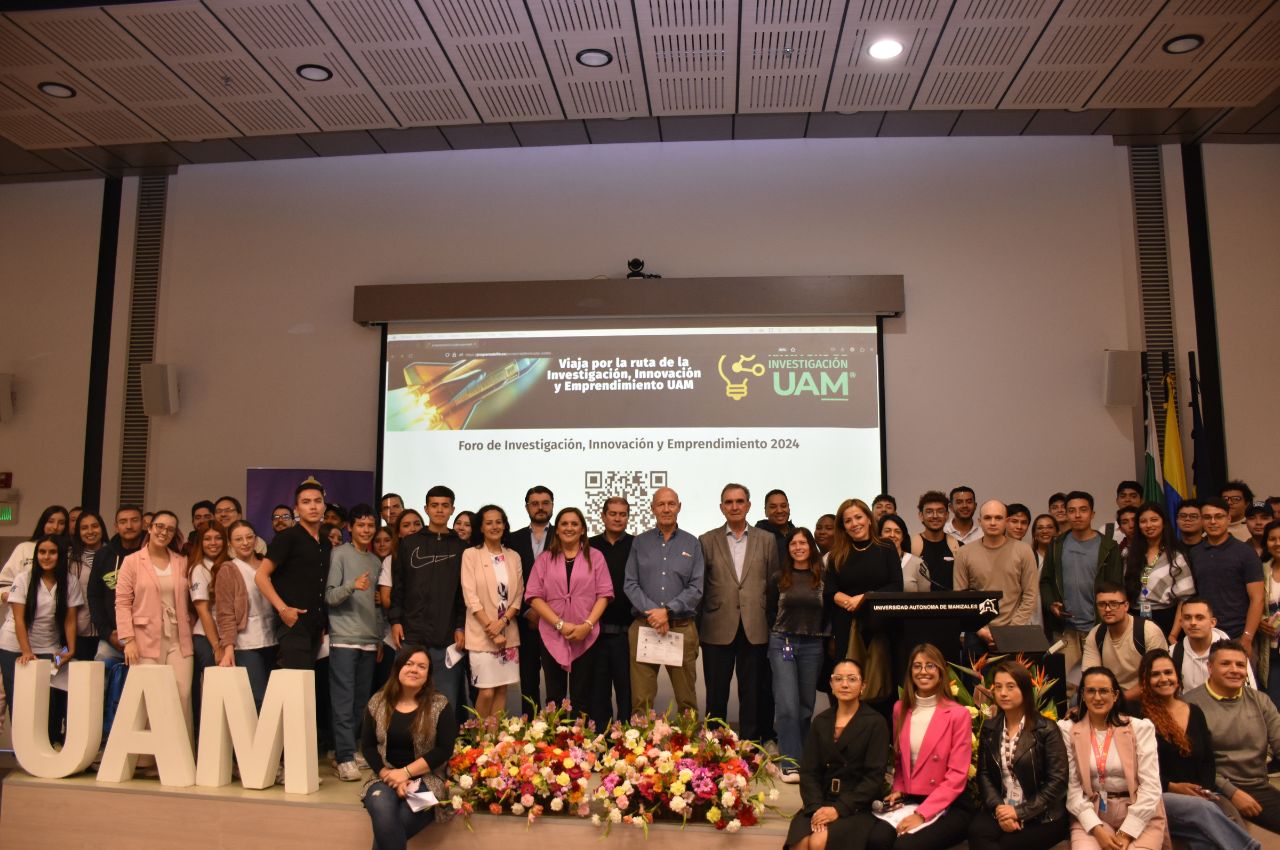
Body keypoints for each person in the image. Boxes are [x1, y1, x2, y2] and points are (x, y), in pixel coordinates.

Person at [1135, 649, 1259, 850]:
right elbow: (1136, 769)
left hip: (1199, 795)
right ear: (1145, 680)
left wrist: (1204, 790)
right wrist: (1174, 787)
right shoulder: (1137, 717)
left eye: (1168, 672)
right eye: (1155, 674)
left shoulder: (1194, 711)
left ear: (1177, 677)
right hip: (1157, 796)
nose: (1163, 679)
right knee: (1203, 809)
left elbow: (1208, 761)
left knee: (1207, 839)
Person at [868, 643, 972, 849]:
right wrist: (898, 789)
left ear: (941, 671)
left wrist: (922, 814)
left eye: (930, 666)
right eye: (917, 666)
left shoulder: (958, 714)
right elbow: (899, 761)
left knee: (905, 847)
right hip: (910, 797)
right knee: (876, 840)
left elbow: (957, 775)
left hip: (948, 803)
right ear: (910, 672)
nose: (923, 671)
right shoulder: (900, 709)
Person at [698, 483, 778, 741]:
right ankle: (714, 745)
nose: (734, 506)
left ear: (749, 505)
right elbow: (700, 587)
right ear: (722, 507)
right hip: (716, 626)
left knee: (752, 692)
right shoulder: (706, 540)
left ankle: (751, 746)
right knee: (716, 693)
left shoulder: (767, 540)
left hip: (755, 626)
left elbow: (773, 584)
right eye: (729, 502)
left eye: (739, 501)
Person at [784, 658, 888, 850]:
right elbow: (809, 772)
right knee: (800, 843)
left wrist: (838, 809)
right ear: (831, 685)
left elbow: (873, 779)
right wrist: (816, 809)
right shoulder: (821, 721)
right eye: (838, 679)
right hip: (820, 801)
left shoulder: (876, 723)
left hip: (856, 806)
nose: (845, 684)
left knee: (818, 842)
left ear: (863, 686)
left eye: (852, 679)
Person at [360, 645, 457, 850]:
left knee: (398, 822)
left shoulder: (439, 704)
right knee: (381, 809)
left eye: (422, 666)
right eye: (409, 664)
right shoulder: (378, 702)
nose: (414, 669)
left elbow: (443, 749)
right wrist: (390, 775)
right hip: (383, 777)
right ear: (397, 669)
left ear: (428, 675)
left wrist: (405, 773)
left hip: (429, 781)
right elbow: (368, 746)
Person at [1059, 666, 1167, 850]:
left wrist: (1127, 833)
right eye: (1091, 691)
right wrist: (1097, 829)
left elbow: (1151, 786)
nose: (1097, 697)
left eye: (1104, 691)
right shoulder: (1067, 729)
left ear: (1116, 695)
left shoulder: (1140, 728)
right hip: (1093, 812)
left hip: (1140, 812)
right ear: (1082, 695)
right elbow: (1073, 789)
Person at [526, 507, 612, 727]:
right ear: (557, 530)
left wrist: (588, 625)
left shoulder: (596, 557)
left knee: (583, 696)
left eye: (574, 524)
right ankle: (555, 750)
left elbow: (604, 594)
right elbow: (534, 596)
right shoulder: (545, 559)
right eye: (564, 524)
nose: (569, 528)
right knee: (554, 697)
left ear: (583, 529)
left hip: (586, 635)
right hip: (552, 635)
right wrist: (560, 625)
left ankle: (581, 751)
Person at [969, 660, 1069, 850]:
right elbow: (983, 774)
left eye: (1010, 687)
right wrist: (1000, 810)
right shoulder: (990, 728)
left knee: (1006, 843)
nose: (1003, 693)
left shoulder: (1046, 729)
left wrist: (1019, 812)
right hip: (1002, 806)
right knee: (976, 831)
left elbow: (1058, 781)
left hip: (1042, 814)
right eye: (998, 687)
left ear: (1024, 689)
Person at [1185, 639, 1280, 835]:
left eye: (1240, 664)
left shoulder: (1260, 700)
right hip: (1213, 789)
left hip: (1257, 785)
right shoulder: (1191, 705)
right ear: (1210, 668)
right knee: (1235, 837)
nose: (1234, 670)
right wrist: (1232, 792)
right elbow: (1196, 764)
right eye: (1225, 664)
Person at [623, 487, 704, 715]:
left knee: (687, 701)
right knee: (641, 701)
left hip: (681, 627)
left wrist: (667, 611)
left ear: (679, 507)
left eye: (671, 504)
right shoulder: (640, 542)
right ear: (652, 508)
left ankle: (687, 748)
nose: (666, 509)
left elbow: (696, 588)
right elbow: (630, 583)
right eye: (661, 504)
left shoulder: (692, 544)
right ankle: (638, 749)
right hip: (644, 627)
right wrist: (655, 613)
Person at [389, 486, 467, 723]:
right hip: (411, 633)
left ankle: (443, 755)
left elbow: (463, 594)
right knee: (405, 697)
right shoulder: (410, 543)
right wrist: (395, 620)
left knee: (445, 700)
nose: (440, 510)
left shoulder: (461, 547)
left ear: (452, 509)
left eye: (445, 506)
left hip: (447, 637)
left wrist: (460, 626)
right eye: (434, 505)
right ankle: (405, 751)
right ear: (426, 509)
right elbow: (399, 586)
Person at [116, 510, 194, 738]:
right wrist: (128, 640)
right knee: (151, 695)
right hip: (144, 638)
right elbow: (122, 602)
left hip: (180, 637)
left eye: (170, 529)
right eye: (160, 526)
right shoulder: (132, 562)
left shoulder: (182, 561)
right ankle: (146, 758)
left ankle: (180, 753)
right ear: (149, 528)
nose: (164, 532)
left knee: (182, 694)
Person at [0, 535, 82, 744]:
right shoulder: (24, 579)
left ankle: (48, 744)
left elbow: (70, 620)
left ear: (60, 555)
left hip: (50, 648)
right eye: (42, 552)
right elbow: (19, 619)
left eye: (52, 552)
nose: (46, 557)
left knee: (50, 696)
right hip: (14, 647)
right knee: (18, 697)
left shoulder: (70, 582)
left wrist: (70, 650)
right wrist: (27, 651)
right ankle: (23, 751)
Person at [1039, 491, 1122, 691]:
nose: (1077, 515)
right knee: (1067, 686)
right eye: (1072, 511)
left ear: (1092, 514)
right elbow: (1046, 581)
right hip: (1066, 629)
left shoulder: (1108, 547)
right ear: (1065, 514)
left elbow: (1116, 587)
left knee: (1100, 684)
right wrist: (1051, 603)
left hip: (1099, 627)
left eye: (1083, 510)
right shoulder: (1057, 545)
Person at [824, 498, 902, 707]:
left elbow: (896, 585)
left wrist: (865, 597)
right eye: (848, 521)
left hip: (880, 627)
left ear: (868, 519)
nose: (854, 523)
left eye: (858, 517)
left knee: (881, 687)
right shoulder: (836, 554)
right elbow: (830, 591)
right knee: (848, 687)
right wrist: (847, 600)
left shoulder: (886, 546)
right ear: (843, 527)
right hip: (846, 626)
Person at [767, 527, 828, 782]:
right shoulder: (779, 577)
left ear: (811, 547)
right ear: (788, 548)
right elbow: (769, 612)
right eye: (794, 544)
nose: (798, 547)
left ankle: (803, 759)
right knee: (788, 705)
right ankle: (789, 762)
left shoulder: (823, 577)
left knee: (805, 706)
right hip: (783, 642)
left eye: (803, 543)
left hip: (813, 646)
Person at [327, 504, 382, 781]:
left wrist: (380, 636)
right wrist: (352, 586)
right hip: (344, 640)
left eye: (370, 525)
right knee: (343, 701)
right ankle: (344, 756)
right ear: (350, 527)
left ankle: (349, 750)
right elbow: (330, 596)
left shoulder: (375, 561)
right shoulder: (339, 554)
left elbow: (378, 606)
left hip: (369, 640)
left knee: (361, 703)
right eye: (361, 525)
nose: (366, 530)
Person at [256, 480, 330, 672]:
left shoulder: (325, 542)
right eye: (306, 502)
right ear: (296, 509)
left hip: (316, 626)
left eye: (317, 501)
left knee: (306, 689)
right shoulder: (287, 537)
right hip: (293, 624)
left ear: (324, 506)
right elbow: (261, 576)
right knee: (293, 687)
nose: (313, 506)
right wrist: (283, 610)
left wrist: (321, 621)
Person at [953, 500, 1039, 657]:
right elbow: (960, 598)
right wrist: (981, 630)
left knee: (1013, 681)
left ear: (1006, 521)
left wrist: (1009, 632)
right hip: (977, 633)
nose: (993, 522)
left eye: (998, 518)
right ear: (979, 522)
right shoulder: (964, 553)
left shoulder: (1024, 551)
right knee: (976, 682)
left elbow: (1030, 595)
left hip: (1014, 631)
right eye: (987, 518)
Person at [459, 504, 522, 720]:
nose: (495, 526)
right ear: (481, 527)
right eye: (489, 522)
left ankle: (492, 744)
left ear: (504, 525)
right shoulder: (471, 555)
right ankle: (477, 743)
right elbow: (470, 597)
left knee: (502, 689)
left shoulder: (513, 556)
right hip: (481, 634)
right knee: (485, 691)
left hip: (508, 634)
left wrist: (502, 623)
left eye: (499, 521)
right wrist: (492, 629)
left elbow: (518, 596)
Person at [87, 504, 144, 733]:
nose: (129, 525)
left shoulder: (149, 552)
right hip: (110, 636)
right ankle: (97, 739)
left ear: (143, 523)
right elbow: (94, 594)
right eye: (123, 521)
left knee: (137, 690)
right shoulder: (104, 554)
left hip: (143, 637)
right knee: (98, 687)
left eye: (134, 520)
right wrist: (106, 632)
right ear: (115, 525)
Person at [215, 520, 279, 709]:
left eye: (249, 537)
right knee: (257, 697)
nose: (245, 542)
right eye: (238, 539)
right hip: (246, 642)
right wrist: (228, 648)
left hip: (274, 639)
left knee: (274, 697)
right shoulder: (229, 569)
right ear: (230, 544)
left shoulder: (268, 566)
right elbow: (225, 613)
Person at [1188, 497, 1263, 655]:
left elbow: (1257, 598)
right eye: (1207, 517)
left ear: (1228, 518)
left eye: (1219, 516)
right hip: (1205, 635)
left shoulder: (1245, 552)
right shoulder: (1194, 553)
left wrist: (1247, 637)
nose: (1213, 522)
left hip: (1238, 635)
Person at [588, 496, 634, 722]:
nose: (618, 518)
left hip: (627, 632)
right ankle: (599, 745)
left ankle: (627, 743)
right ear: (603, 516)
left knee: (628, 694)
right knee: (597, 694)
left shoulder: (638, 544)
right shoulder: (588, 545)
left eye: (622, 514)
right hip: (594, 632)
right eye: (613, 514)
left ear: (628, 517)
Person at [508, 486, 554, 712]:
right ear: (527, 507)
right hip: (524, 622)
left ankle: (558, 732)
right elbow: (509, 582)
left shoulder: (563, 536)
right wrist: (528, 611)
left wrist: (546, 613)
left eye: (545, 502)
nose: (540, 507)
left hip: (556, 622)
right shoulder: (512, 539)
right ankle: (530, 733)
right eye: (534, 503)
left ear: (552, 506)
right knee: (528, 683)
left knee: (555, 684)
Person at [1081, 582, 1166, 702]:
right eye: (1101, 604)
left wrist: (1118, 700)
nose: (1107, 609)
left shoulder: (1148, 631)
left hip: (1146, 698)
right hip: (1111, 696)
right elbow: (1090, 677)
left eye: (1114, 604)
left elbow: (1156, 679)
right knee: (1076, 701)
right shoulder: (1096, 634)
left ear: (1126, 606)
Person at [1124, 503, 1195, 639]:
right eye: (1143, 521)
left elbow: (1185, 599)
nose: (1149, 525)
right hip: (1134, 617)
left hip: (1165, 618)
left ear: (1164, 523)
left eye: (1154, 520)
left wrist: (1173, 634)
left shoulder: (1176, 555)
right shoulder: (1130, 554)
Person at [188, 523, 230, 733]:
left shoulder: (231, 564)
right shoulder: (199, 569)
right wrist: (216, 646)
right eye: (207, 539)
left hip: (229, 638)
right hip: (207, 639)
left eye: (218, 538)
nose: (213, 543)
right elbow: (203, 611)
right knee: (212, 693)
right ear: (200, 543)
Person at [1172, 597, 1255, 692]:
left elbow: (1250, 694)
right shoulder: (1173, 653)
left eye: (1199, 618)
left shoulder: (1236, 654)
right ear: (1181, 623)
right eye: (1187, 618)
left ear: (1212, 622)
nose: (1193, 623)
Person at [0, 504, 70, 609]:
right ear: (43, 523)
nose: (55, 527)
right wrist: (9, 597)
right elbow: (4, 583)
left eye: (61, 523)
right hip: (21, 613)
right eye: (50, 521)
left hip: (55, 615)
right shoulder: (24, 548)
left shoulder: (70, 552)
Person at [69, 511, 105, 661]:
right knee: (67, 673)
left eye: (95, 526)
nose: (90, 531)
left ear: (102, 528)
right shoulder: (69, 558)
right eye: (84, 528)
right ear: (78, 532)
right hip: (75, 633)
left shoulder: (114, 555)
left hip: (107, 634)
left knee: (102, 679)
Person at [913, 491, 959, 589]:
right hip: (920, 603)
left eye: (940, 511)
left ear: (947, 515)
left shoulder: (959, 546)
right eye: (929, 511)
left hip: (951, 604)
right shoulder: (910, 546)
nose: (935, 516)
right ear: (921, 516)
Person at [879, 514, 929, 592]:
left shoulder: (918, 564)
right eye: (887, 531)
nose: (892, 535)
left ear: (903, 537)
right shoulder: (872, 562)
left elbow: (926, 600)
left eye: (897, 532)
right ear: (879, 535)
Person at [1260, 520, 1280, 707]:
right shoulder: (1261, 569)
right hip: (1272, 650)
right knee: (1274, 706)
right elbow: (1252, 603)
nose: (1277, 543)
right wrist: (1260, 621)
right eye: (1272, 539)